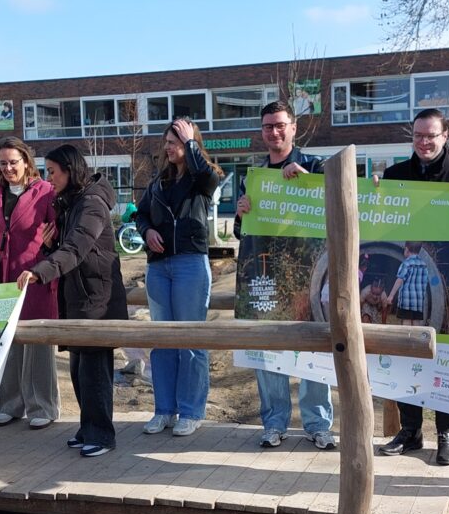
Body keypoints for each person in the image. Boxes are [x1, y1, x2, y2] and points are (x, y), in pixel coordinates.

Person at [375, 107, 449, 464]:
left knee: (445, 354)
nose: (424, 142)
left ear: (445, 136)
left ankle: (446, 432)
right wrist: (372, 194)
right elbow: (380, 223)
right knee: (406, 350)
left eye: (431, 135)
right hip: (409, 284)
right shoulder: (394, 175)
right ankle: (410, 430)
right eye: (418, 135)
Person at [234, 100, 336, 451]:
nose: (273, 132)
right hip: (269, 277)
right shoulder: (255, 175)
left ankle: (317, 424)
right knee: (269, 354)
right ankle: (274, 423)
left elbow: (337, 214)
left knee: (314, 352)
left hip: (311, 275)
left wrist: (311, 184)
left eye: (280, 125)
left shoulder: (316, 166)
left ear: (294, 127)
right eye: (267, 127)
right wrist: (242, 214)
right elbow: (242, 234)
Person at [18, 144, 128, 459]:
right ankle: (88, 428)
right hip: (79, 296)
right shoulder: (73, 202)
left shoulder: (92, 204)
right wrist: (50, 246)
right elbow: (66, 250)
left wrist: (40, 272)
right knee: (80, 369)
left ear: (70, 170)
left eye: (52, 172)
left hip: (97, 298)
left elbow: (77, 249)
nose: (49, 179)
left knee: (94, 370)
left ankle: (102, 434)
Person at [136, 118, 222, 437]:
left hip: (190, 263)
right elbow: (140, 214)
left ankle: (191, 410)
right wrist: (147, 231)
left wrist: (191, 144)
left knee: (190, 341)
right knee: (162, 342)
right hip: (159, 267)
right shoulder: (159, 182)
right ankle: (164, 410)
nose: (169, 147)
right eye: (168, 142)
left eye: (175, 141)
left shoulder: (201, 179)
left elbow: (208, 178)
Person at [0, 137, 61, 430]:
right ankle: (10, 404)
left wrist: (52, 244)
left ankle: (43, 405)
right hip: (2, 277)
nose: (9, 168)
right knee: (6, 342)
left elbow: (56, 233)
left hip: (34, 275)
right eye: (3, 163)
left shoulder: (45, 192)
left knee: (37, 341)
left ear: (26, 161)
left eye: (14, 162)